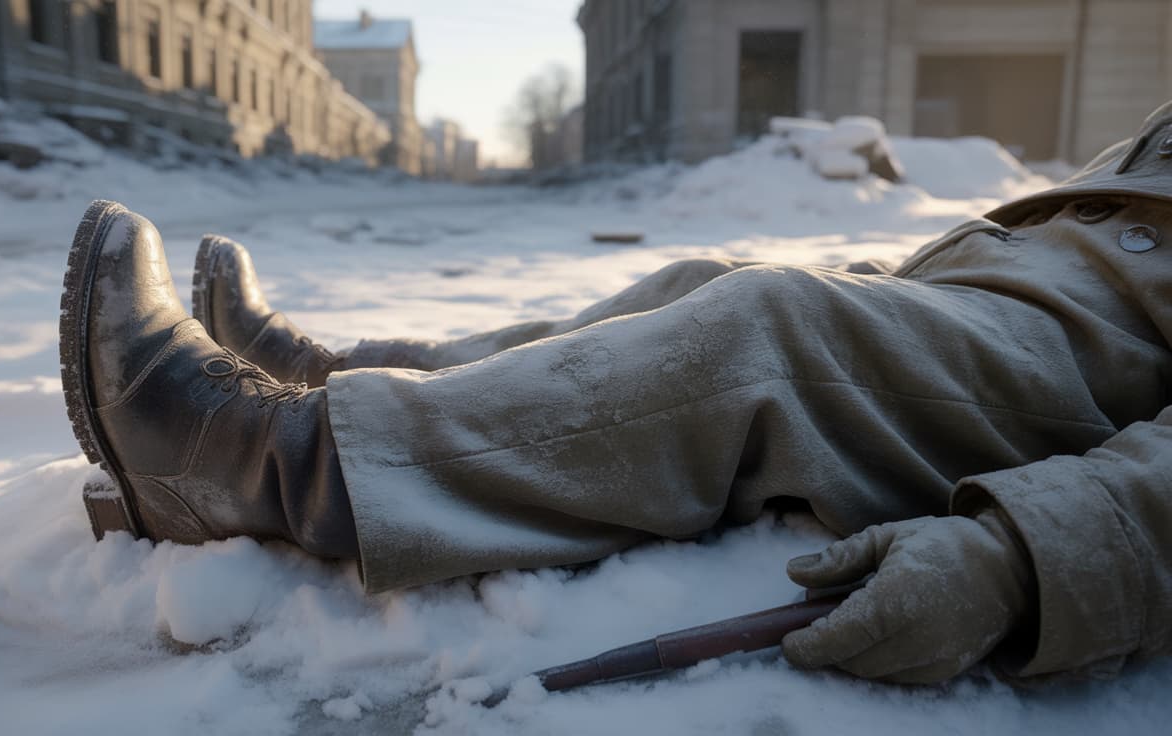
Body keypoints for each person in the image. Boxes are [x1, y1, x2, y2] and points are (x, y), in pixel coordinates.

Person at [60, 102, 1172, 688]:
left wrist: (1027, 558)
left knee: (773, 329)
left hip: (1092, 374)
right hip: (1009, 304)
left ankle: (261, 463)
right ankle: (349, 374)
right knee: (709, 284)